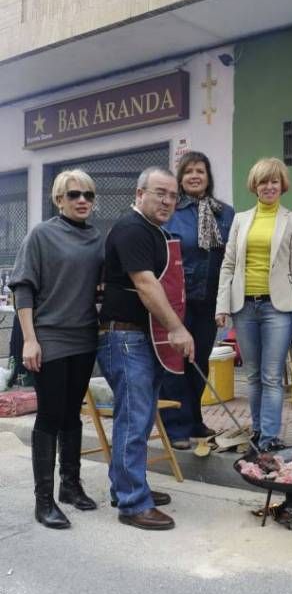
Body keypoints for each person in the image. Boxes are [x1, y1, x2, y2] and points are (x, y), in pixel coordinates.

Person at [97, 167, 194, 530]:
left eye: (173, 195)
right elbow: (145, 284)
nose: (168, 200)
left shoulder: (153, 231)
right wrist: (177, 328)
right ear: (139, 194)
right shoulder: (133, 229)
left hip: (142, 337)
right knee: (134, 419)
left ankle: (127, 487)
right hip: (125, 338)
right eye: (160, 193)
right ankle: (132, 503)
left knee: (139, 416)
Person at [10, 170, 104, 529]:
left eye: (89, 195)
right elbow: (23, 288)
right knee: (49, 416)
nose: (82, 200)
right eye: (74, 195)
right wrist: (30, 339)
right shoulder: (41, 234)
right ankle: (44, 500)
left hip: (84, 337)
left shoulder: (97, 238)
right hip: (48, 337)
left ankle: (70, 486)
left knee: (71, 414)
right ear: (58, 199)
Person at [216, 158, 292, 451]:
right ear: (255, 186)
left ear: (282, 185)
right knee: (252, 374)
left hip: (277, 308)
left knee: (271, 375)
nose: (269, 187)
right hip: (243, 307)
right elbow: (229, 264)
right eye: (263, 182)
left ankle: (271, 436)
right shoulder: (240, 220)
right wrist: (221, 306)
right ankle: (258, 432)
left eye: (274, 181)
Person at [159, 152, 234, 450]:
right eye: (188, 171)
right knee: (175, 362)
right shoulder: (171, 211)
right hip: (176, 301)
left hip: (210, 301)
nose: (194, 176)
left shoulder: (224, 213)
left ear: (208, 176)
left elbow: (231, 256)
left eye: (200, 171)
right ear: (180, 178)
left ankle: (194, 419)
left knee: (199, 361)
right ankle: (175, 424)